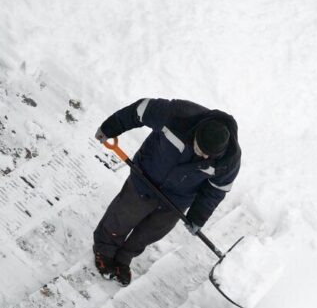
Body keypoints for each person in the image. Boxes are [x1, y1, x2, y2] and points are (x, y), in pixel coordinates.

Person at [92, 98, 241, 286]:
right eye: (200, 149)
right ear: (197, 133)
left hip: (178, 199)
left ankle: (124, 257)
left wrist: (197, 217)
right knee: (122, 217)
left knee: (150, 232)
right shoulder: (179, 115)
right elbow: (140, 110)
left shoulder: (229, 160)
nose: (203, 156)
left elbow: (216, 191)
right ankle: (104, 250)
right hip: (146, 177)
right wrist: (109, 128)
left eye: (208, 156)